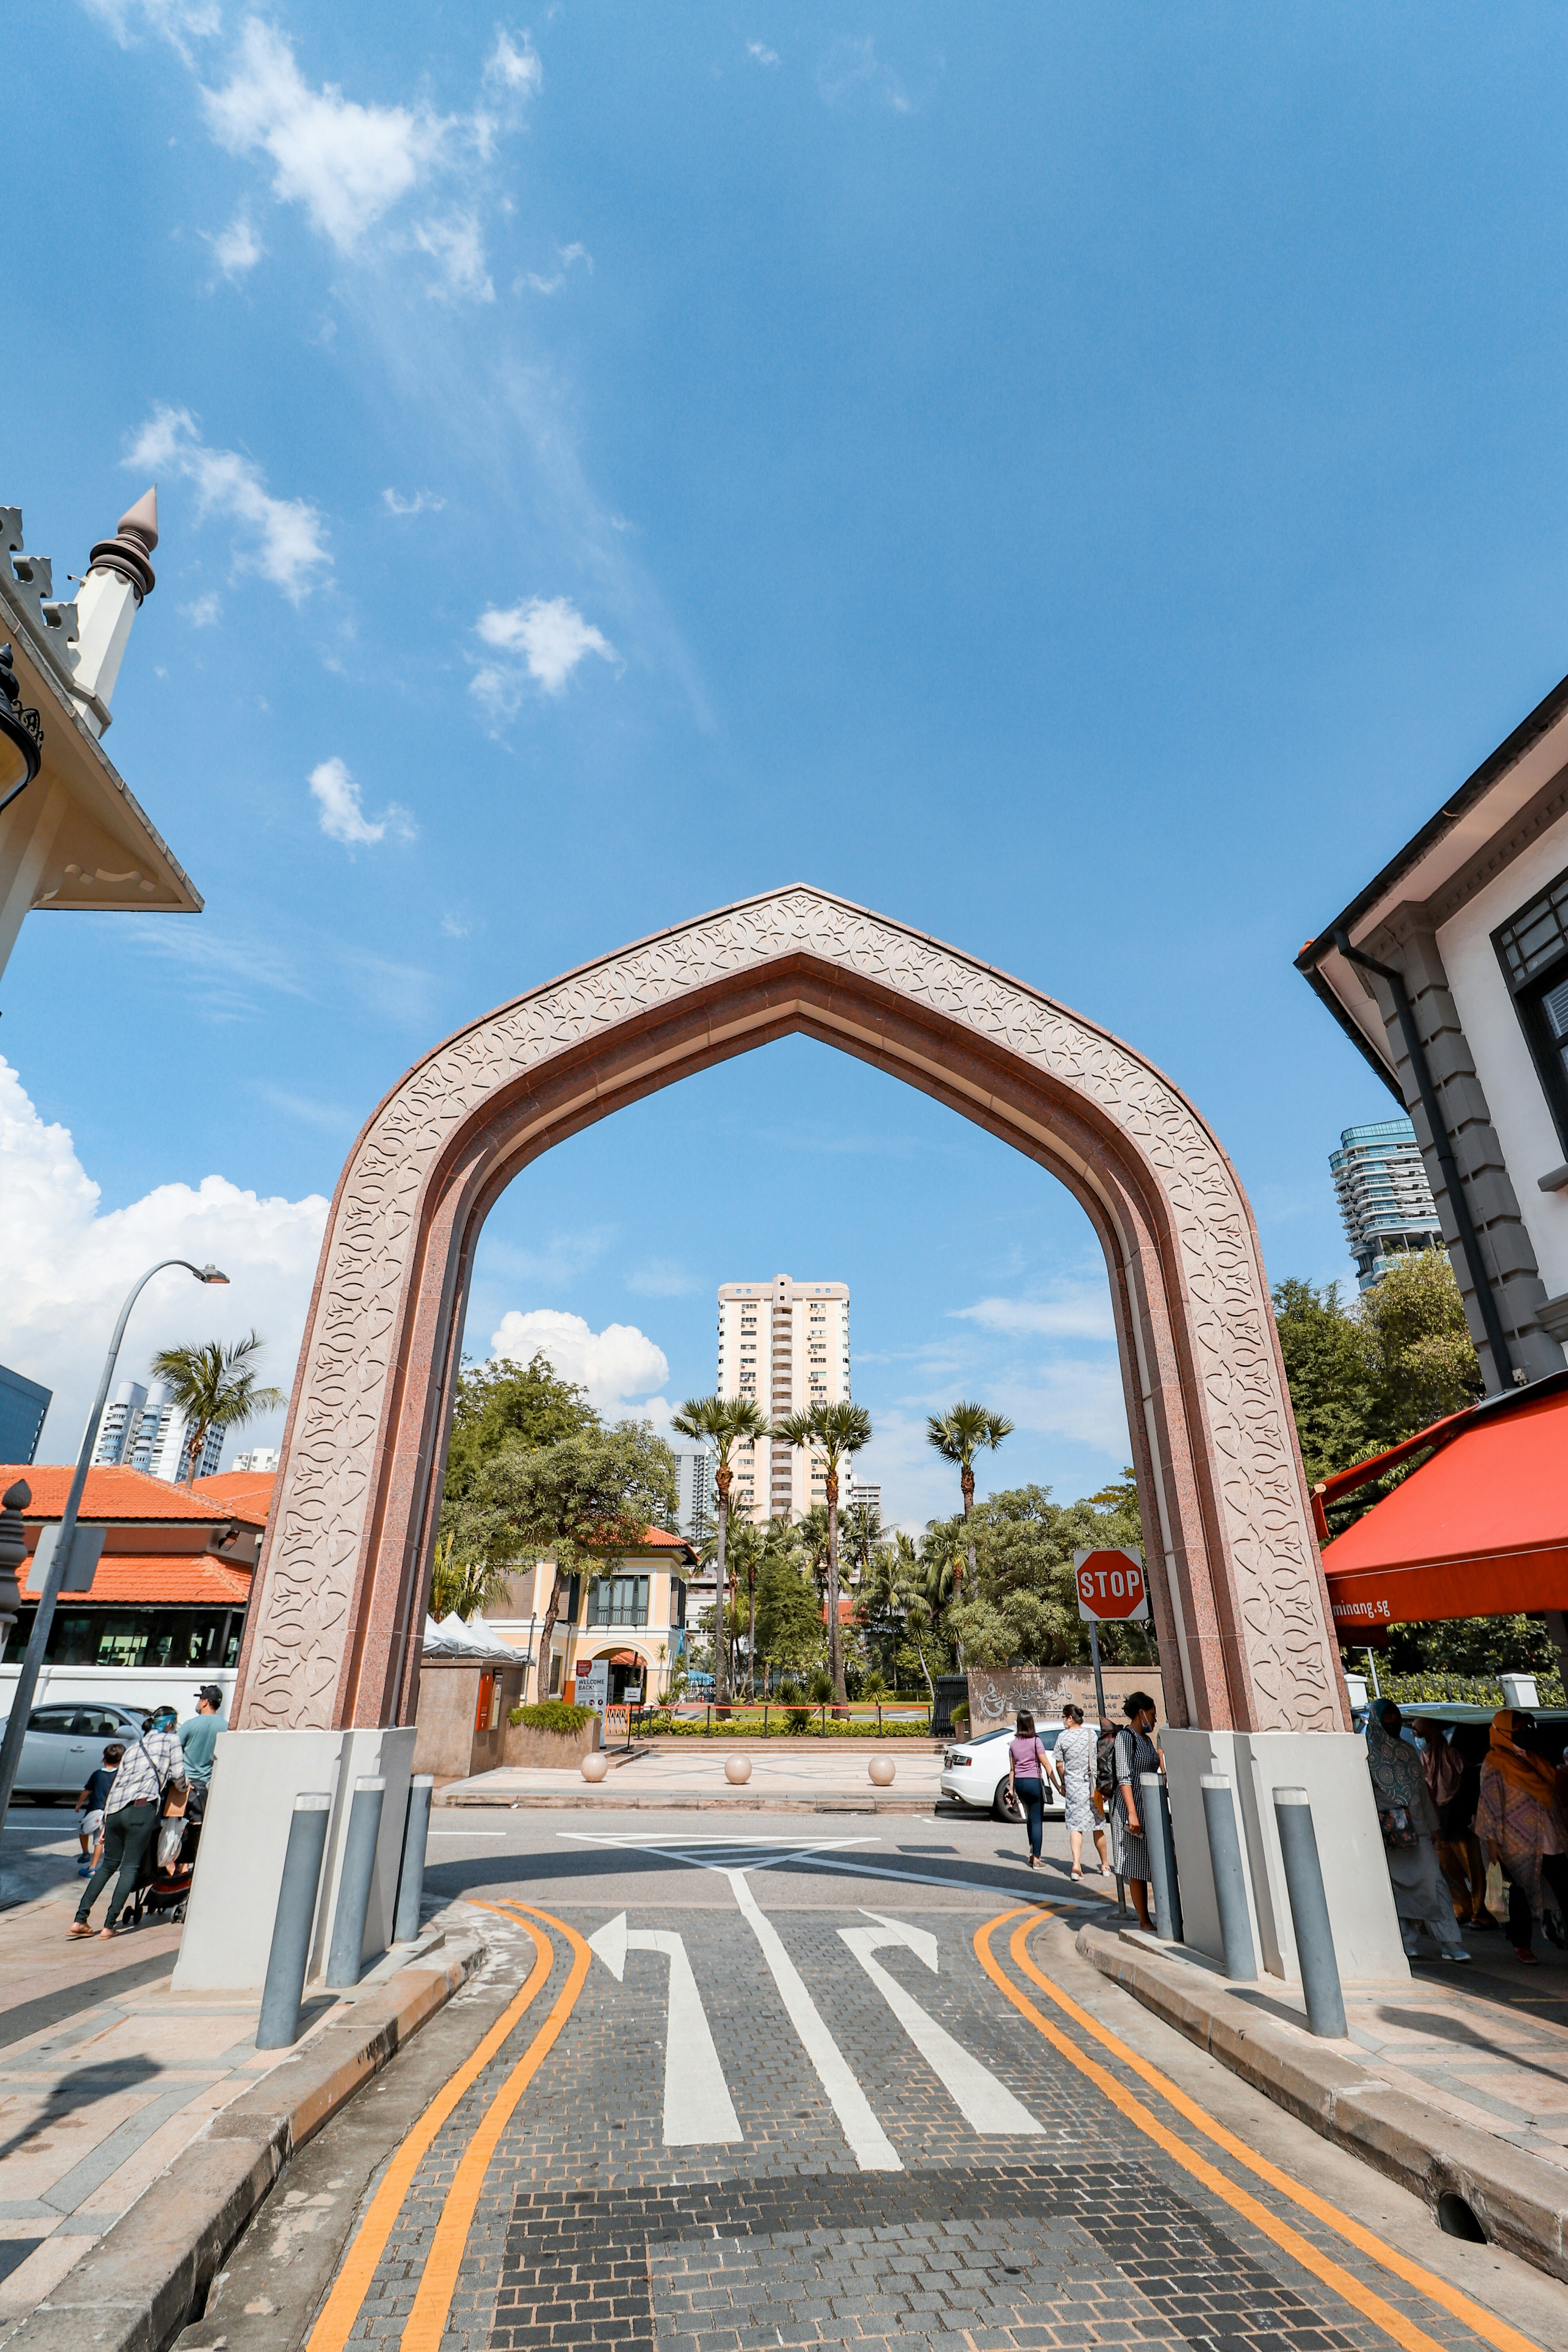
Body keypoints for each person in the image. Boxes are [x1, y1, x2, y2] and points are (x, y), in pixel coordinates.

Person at [1366, 1700, 1469, 1964]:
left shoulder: (1408, 1751)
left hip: (1420, 1832)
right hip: (1389, 1835)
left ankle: (1450, 1943)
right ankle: (1407, 1941)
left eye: (1396, 1717)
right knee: (1398, 1889)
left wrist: (1434, 1827)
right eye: (1387, 1719)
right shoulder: (1366, 1755)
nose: (1394, 1723)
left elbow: (1422, 1792)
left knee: (1435, 1886)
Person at [69, 1719, 185, 1939]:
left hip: (114, 1812)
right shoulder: (172, 1740)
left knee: (107, 1867)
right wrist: (183, 1786)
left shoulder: (134, 1747)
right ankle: (109, 1925)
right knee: (130, 1868)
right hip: (141, 1808)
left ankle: (80, 1919)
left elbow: (117, 1784)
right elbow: (179, 1775)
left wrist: (105, 1820)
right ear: (169, 1724)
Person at [1476, 1708, 1568, 1965]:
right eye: (1517, 1730)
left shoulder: (1535, 1760)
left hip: (1551, 1838)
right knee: (1518, 1897)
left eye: (1526, 1729)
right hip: (1516, 1843)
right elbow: (1489, 1806)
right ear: (1503, 1733)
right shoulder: (1494, 1765)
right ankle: (1522, 1945)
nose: (1523, 1734)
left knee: (1564, 1886)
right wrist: (1492, 1843)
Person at [1110, 1691, 1162, 1932]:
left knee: (1154, 1861)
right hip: (1132, 1809)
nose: (1154, 1719)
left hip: (1150, 1808)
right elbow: (1124, 1775)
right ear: (1141, 1713)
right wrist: (1132, 1813)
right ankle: (1144, 1920)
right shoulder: (1125, 1738)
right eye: (1152, 1714)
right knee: (1137, 1866)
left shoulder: (1147, 1741)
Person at [1055, 1702, 1106, 1878]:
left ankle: (1076, 1866)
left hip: (1074, 1788)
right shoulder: (1092, 1735)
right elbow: (1100, 1759)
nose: (1063, 1721)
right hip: (1093, 1787)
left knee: (1076, 1827)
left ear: (1070, 1718)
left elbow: (1059, 1764)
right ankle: (1105, 1866)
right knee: (1098, 1826)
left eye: (1064, 1717)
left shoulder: (1063, 1738)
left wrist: (1064, 1782)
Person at [1005, 1709, 1053, 1871]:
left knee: (1030, 1818)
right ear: (1031, 1724)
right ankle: (1037, 1858)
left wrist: (1012, 1790)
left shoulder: (1013, 1744)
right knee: (1037, 1819)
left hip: (1020, 1784)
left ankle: (1032, 1852)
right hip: (1034, 1783)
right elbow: (1046, 1765)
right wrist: (1058, 1784)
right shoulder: (1036, 1742)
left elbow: (1012, 1769)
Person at [75, 1743, 122, 1880]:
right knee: (99, 1841)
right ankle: (93, 1868)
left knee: (83, 1831)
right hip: (110, 1812)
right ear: (120, 1761)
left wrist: (79, 1805)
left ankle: (85, 1853)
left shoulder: (97, 1775)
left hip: (95, 1811)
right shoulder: (119, 1775)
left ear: (104, 1759)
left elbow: (86, 1792)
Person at [177, 1684, 227, 1815]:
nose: (198, 1703)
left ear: (205, 1702)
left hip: (186, 1784)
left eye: (200, 1700)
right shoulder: (226, 1727)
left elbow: (173, 1750)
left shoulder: (190, 1725)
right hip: (208, 1785)